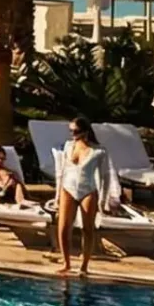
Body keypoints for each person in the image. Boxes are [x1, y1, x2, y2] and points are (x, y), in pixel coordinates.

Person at [55, 117, 106, 278]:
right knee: (63, 227)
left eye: (75, 131)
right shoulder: (69, 146)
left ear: (85, 131)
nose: (72, 134)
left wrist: (103, 200)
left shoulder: (98, 151)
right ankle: (66, 262)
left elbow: (104, 176)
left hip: (88, 189)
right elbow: (61, 171)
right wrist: (57, 195)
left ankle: (84, 265)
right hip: (67, 188)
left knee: (87, 229)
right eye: (71, 131)